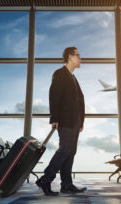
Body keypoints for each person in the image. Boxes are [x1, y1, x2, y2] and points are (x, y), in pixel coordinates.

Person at [36, 47, 86, 196]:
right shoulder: (60, 74)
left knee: (71, 152)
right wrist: (55, 118)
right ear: (70, 57)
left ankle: (66, 185)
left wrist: (81, 121)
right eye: (78, 55)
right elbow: (54, 96)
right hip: (65, 120)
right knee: (64, 150)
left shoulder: (73, 77)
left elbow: (78, 100)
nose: (80, 58)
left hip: (75, 121)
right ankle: (45, 179)